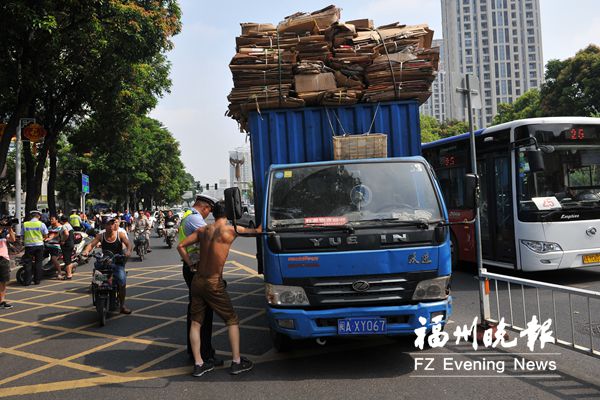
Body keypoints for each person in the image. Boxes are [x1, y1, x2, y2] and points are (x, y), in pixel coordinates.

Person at [178, 200, 261, 377]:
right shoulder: (231, 230)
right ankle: (237, 361)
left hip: (197, 281)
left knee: (195, 322)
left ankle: (199, 364)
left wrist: (191, 263)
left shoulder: (203, 230)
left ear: (213, 213)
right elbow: (258, 231)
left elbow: (181, 246)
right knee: (231, 319)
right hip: (213, 282)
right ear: (228, 214)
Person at [178, 194, 220, 367]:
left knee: (195, 312)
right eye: (208, 210)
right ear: (204, 207)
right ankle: (205, 354)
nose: (207, 215)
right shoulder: (195, 219)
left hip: (193, 268)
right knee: (203, 314)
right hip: (197, 270)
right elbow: (215, 238)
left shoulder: (188, 215)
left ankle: (195, 351)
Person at [82, 216, 133, 314]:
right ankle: (98, 294)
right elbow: (91, 244)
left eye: (112, 223)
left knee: (122, 282)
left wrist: (128, 251)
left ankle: (122, 306)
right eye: (108, 224)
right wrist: (86, 251)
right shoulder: (101, 236)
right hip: (104, 262)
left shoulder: (120, 234)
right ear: (104, 225)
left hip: (117, 262)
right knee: (96, 281)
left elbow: (128, 244)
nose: (111, 225)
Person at [22, 210, 49, 285]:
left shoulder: (25, 224)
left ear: (31, 216)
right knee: (38, 263)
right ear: (39, 216)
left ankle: (27, 281)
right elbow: (46, 235)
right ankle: (37, 280)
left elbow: (22, 235)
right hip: (39, 245)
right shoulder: (41, 224)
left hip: (28, 246)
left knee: (28, 263)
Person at [0, 221, 16, 309]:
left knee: (3, 281)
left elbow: (13, 239)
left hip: (3, 258)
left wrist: (9, 228)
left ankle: (2, 301)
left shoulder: (5, 232)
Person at [59, 215, 77, 279]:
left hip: (67, 244)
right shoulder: (69, 225)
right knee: (68, 259)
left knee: (67, 260)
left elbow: (66, 234)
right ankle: (69, 271)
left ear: (61, 221)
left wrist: (63, 240)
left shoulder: (64, 226)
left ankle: (69, 275)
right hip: (71, 244)